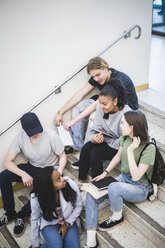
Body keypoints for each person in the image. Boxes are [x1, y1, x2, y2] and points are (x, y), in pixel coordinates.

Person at [82, 110, 156, 248]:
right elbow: (118, 156)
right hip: (124, 178)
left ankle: (117, 216)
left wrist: (130, 151)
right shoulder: (126, 138)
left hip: (139, 187)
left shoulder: (149, 147)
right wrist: (105, 173)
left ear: (132, 127)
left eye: (122, 123)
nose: (120, 126)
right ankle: (91, 239)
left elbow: (136, 176)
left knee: (113, 187)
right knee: (91, 193)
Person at [0, 112, 67, 237]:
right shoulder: (20, 138)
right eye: (31, 131)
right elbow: (7, 162)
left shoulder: (50, 135)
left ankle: (22, 215)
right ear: (23, 129)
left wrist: (59, 172)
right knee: (3, 176)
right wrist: (23, 174)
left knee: (42, 191)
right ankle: (10, 214)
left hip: (50, 170)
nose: (35, 133)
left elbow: (62, 156)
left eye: (37, 129)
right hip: (32, 168)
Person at [54, 56, 138, 153]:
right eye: (93, 76)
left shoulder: (118, 80)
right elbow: (80, 94)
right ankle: (79, 147)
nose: (96, 79)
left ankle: (86, 151)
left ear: (106, 69)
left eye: (98, 75)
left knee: (94, 116)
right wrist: (61, 112)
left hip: (123, 109)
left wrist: (73, 121)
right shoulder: (98, 77)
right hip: (106, 103)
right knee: (79, 107)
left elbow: (96, 105)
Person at [74, 80, 131, 180]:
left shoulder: (126, 114)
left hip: (119, 145)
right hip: (106, 139)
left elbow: (124, 142)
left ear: (115, 101)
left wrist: (104, 138)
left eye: (105, 104)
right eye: (100, 103)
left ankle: (97, 184)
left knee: (95, 152)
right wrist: (93, 138)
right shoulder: (101, 109)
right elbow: (92, 130)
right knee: (86, 147)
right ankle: (81, 179)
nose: (101, 107)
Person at [31, 166, 83, 248]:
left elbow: (79, 206)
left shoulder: (70, 184)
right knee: (56, 246)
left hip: (68, 220)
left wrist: (66, 224)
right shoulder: (36, 198)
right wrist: (35, 244)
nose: (63, 179)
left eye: (61, 176)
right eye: (58, 179)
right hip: (50, 223)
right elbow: (35, 219)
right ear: (49, 187)